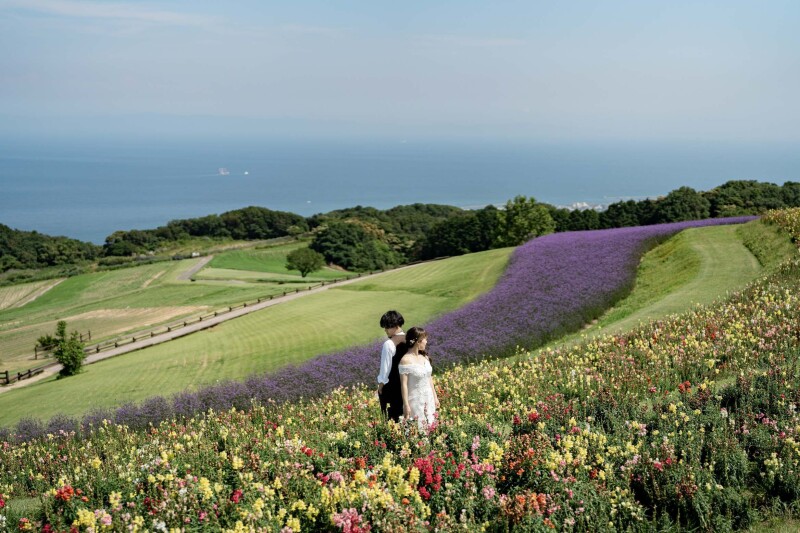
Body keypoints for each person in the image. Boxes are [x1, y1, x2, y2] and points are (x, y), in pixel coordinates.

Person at [399, 327, 439, 430]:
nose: (426, 342)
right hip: (416, 402)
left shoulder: (424, 357)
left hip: (428, 399)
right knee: (418, 429)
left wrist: (435, 397)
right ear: (418, 341)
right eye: (425, 339)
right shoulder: (405, 360)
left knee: (431, 426)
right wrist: (406, 405)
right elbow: (404, 385)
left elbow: (429, 379)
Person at [377, 310, 406, 422]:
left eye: (386, 327)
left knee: (393, 419)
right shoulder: (410, 339)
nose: (385, 330)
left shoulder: (389, 344)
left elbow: (385, 368)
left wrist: (381, 386)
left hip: (394, 387)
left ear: (395, 325)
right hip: (409, 385)